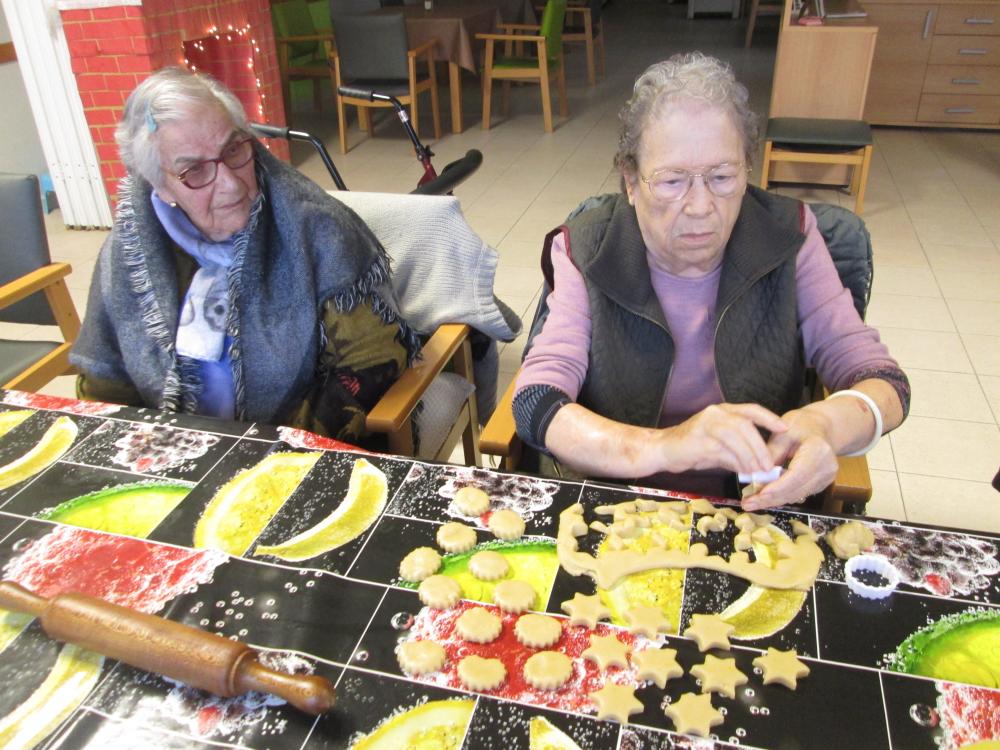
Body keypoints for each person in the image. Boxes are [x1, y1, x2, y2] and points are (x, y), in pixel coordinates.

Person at [512, 53, 910, 510]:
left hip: (756, 505)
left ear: (746, 171)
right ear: (631, 181)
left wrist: (826, 425)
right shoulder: (587, 249)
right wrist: (666, 447)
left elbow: (885, 382)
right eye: (672, 181)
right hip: (620, 502)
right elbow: (536, 400)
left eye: (722, 177)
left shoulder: (790, 238)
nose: (701, 207)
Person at [71, 67, 419, 446]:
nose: (230, 184)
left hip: (287, 447)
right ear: (160, 185)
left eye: (233, 150)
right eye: (194, 170)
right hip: (168, 448)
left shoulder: (318, 229)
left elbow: (372, 359)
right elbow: (107, 379)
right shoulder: (131, 249)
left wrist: (271, 447)